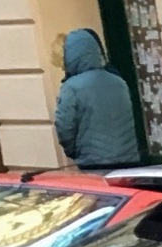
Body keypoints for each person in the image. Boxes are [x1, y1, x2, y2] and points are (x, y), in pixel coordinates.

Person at [54, 29, 141, 170]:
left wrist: (74, 152)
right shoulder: (119, 82)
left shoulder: (71, 87)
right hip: (129, 161)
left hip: (94, 164)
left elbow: (65, 128)